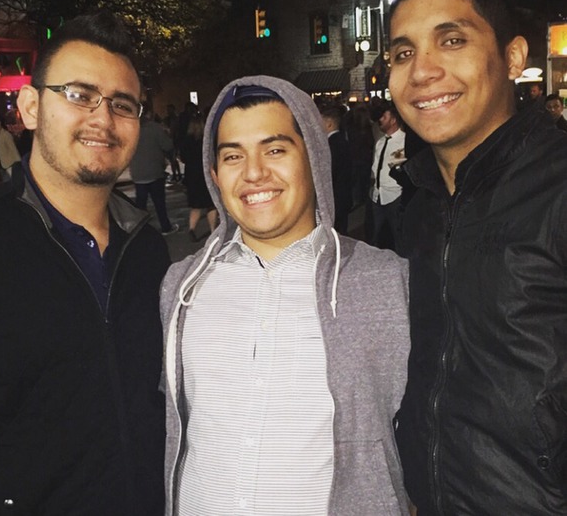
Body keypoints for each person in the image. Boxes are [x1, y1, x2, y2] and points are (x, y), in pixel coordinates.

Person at [160, 76, 411, 516]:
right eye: (233, 156)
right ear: (215, 175)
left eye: (275, 150)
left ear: (313, 157)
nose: (254, 172)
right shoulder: (181, 286)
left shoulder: (385, 283)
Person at [388, 0, 567, 515]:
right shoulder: (418, 208)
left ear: (513, 58)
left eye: (452, 40)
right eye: (403, 53)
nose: (422, 71)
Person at [0, 11, 170, 515]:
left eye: (122, 104)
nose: (102, 119)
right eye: (79, 94)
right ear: (30, 107)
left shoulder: (150, 252)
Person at [129, 109, 179, 235]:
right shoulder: (154, 128)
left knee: (141, 205)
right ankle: (165, 227)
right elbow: (167, 145)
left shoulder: (130, 129)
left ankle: (140, 231)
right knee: (159, 203)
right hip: (154, 171)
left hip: (138, 172)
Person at [364, 101, 406, 249]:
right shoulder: (381, 142)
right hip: (377, 195)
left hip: (394, 195)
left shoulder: (402, 141)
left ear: (393, 120)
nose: (380, 120)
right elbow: (376, 167)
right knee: (374, 236)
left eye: (384, 116)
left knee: (398, 235)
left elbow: (397, 169)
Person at [180, 112, 217, 241]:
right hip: (205, 174)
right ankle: (213, 231)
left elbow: (183, 157)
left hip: (191, 175)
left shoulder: (187, 141)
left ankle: (191, 229)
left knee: (195, 206)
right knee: (210, 205)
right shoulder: (206, 141)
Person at [319, 103, 353, 234]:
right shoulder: (342, 141)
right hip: (343, 195)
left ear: (329, 124)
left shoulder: (332, 146)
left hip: (335, 198)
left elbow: (330, 173)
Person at [0, 113, 20, 181]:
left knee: (15, 183)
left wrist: (18, 164)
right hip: (2, 166)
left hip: (10, 165)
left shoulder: (6, 135)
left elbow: (14, 150)